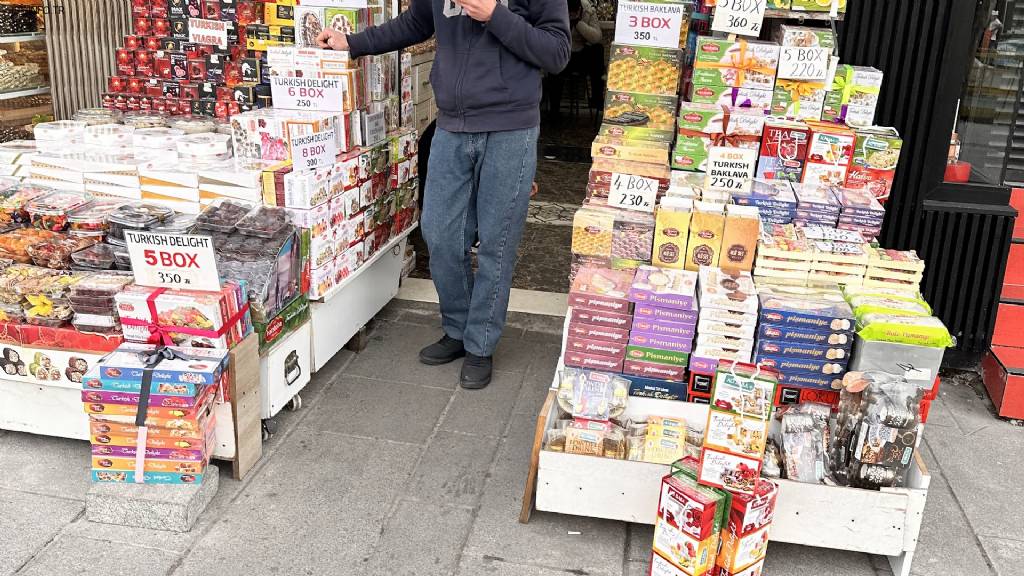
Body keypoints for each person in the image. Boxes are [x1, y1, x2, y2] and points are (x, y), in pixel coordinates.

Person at [316, 0, 570, 390]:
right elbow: (416, 22)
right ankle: (458, 327)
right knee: (439, 232)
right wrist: (352, 42)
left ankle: (481, 344)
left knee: (496, 244)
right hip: (452, 126)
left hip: (511, 128)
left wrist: (495, 15)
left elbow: (556, 53)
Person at [543, 0, 604, 120]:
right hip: (562, 54)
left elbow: (597, 37)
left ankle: (596, 98)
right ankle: (554, 110)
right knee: (555, 60)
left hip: (580, 53)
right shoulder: (556, 10)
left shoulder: (588, 10)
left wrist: (578, 24)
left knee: (598, 49)